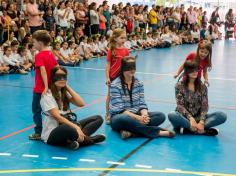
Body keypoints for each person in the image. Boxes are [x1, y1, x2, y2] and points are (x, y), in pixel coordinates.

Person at [40, 66, 105, 150]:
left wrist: (67, 87)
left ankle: (74, 140)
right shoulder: (47, 95)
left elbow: (81, 103)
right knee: (68, 128)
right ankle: (91, 140)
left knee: (98, 118)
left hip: (69, 125)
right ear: (53, 78)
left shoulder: (63, 93)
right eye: (58, 77)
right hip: (52, 134)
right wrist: (76, 127)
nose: (62, 79)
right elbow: (58, 118)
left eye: (64, 77)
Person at [109, 56, 175, 139]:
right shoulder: (115, 85)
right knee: (124, 118)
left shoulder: (139, 82)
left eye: (134, 67)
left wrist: (145, 115)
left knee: (160, 116)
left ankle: (130, 132)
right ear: (123, 68)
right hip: (119, 118)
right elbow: (120, 110)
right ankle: (158, 132)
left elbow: (142, 103)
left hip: (137, 115)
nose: (132, 70)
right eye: (129, 67)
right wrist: (138, 118)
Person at [168, 61, 227, 136]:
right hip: (184, 118)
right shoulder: (179, 86)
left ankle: (189, 129)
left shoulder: (202, 87)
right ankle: (201, 130)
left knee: (222, 115)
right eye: (191, 70)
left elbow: (204, 106)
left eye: (196, 70)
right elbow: (180, 106)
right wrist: (191, 119)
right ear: (186, 72)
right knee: (172, 115)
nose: (195, 72)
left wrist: (202, 121)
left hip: (199, 118)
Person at [29, 30, 58, 140]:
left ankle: (38, 132)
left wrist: (45, 86)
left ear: (40, 43)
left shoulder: (39, 55)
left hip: (40, 89)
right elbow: (56, 68)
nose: (33, 44)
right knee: (50, 109)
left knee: (36, 110)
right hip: (51, 88)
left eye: (34, 42)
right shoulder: (51, 53)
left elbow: (43, 71)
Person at [105, 28, 129, 124]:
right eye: (121, 38)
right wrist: (107, 78)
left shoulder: (126, 50)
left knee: (124, 95)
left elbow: (127, 64)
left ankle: (122, 112)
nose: (124, 40)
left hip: (123, 77)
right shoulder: (111, 51)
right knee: (110, 96)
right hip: (113, 77)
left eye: (125, 38)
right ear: (115, 38)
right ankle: (107, 114)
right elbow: (108, 66)